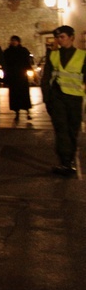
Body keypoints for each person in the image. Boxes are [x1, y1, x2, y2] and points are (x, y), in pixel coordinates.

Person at [41, 25, 86, 177]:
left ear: (71, 37)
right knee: (62, 130)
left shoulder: (82, 55)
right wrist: (47, 99)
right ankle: (65, 162)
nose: (59, 40)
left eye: (63, 37)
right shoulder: (53, 55)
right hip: (57, 98)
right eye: (57, 38)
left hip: (74, 99)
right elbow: (46, 78)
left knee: (72, 130)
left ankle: (70, 159)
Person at [3, 35, 33, 121]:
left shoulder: (23, 51)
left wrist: (30, 71)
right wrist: (6, 77)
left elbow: (27, 62)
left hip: (22, 76)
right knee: (15, 96)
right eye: (12, 40)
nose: (13, 42)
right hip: (13, 77)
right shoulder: (8, 52)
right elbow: (6, 65)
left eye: (15, 40)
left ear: (18, 42)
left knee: (24, 95)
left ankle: (28, 112)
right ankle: (17, 113)